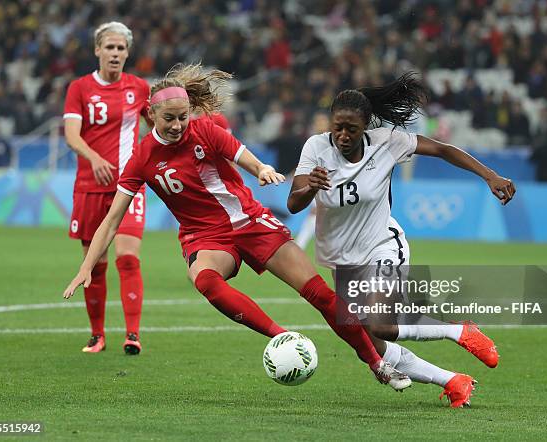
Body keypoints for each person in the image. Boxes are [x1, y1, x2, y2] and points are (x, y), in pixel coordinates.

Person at [63, 63, 412, 391]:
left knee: (321, 295)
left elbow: (245, 157)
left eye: (183, 117)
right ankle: (280, 336)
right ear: (151, 115)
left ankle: (377, 363)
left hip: (250, 221)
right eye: (169, 118)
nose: (177, 125)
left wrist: (261, 170)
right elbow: (112, 220)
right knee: (204, 279)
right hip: (205, 236)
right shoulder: (142, 157)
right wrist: (86, 265)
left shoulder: (206, 130)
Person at [287, 73, 517, 408]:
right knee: (373, 344)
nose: (343, 135)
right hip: (343, 259)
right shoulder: (316, 148)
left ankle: (460, 331)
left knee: (381, 324)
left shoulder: (387, 142)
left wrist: (489, 175)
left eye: (351, 128)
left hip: (383, 244)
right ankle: (453, 381)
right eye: (338, 127)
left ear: (366, 125)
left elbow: (441, 149)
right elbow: (294, 203)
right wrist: (311, 187)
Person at [63, 22, 151, 355]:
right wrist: (95, 158)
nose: (115, 53)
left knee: (128, 258)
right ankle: (97, 335)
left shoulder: (140, 88)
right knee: (94, 265)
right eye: (109, 47)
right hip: (89, 186)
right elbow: (72, 135)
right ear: (97, 50)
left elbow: (157, 127)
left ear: (128, 53)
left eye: (121, 48)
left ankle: (133, 335)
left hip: (128, 187)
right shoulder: (80, 88)